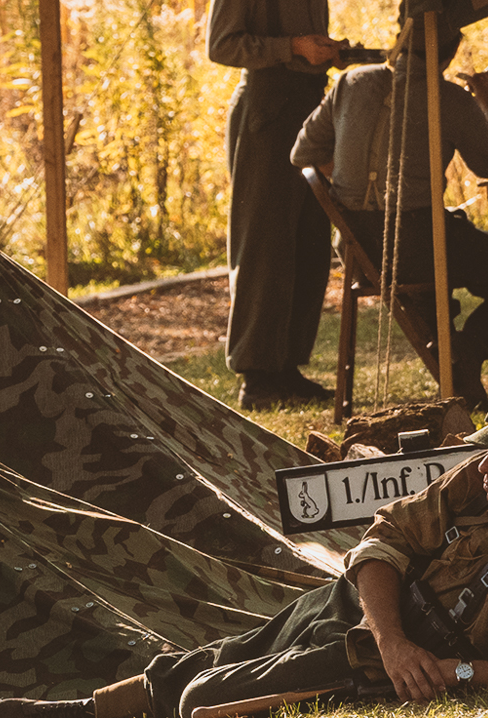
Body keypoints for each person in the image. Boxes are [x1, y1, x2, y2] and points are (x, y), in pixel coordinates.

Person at [0, 375, 488, 718]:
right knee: (229, 653)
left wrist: (450, 673)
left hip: (393, 656)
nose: (486, 464)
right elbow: (385, 540)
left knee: (200, 701)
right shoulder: (479, 480)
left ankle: (93, 717)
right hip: (376, 616)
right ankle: (76, 716)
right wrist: (389, 632)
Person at [290, 24, 488, 405]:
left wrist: (354, 195)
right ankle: (467, 348)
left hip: (358, 248)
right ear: (446, 55)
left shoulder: (350, 83)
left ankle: (456, 353)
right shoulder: (447, 98)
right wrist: (487, 101)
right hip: (419, 248)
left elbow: (303, 154)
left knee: (456, 249)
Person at [207, 0, 344, 410]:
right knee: (264, 244)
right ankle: (257, 375)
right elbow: (221, 46)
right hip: (267, 109)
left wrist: (327, 52)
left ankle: (286, 368)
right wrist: (294, 48)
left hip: (311, 104)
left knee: (309, 243)